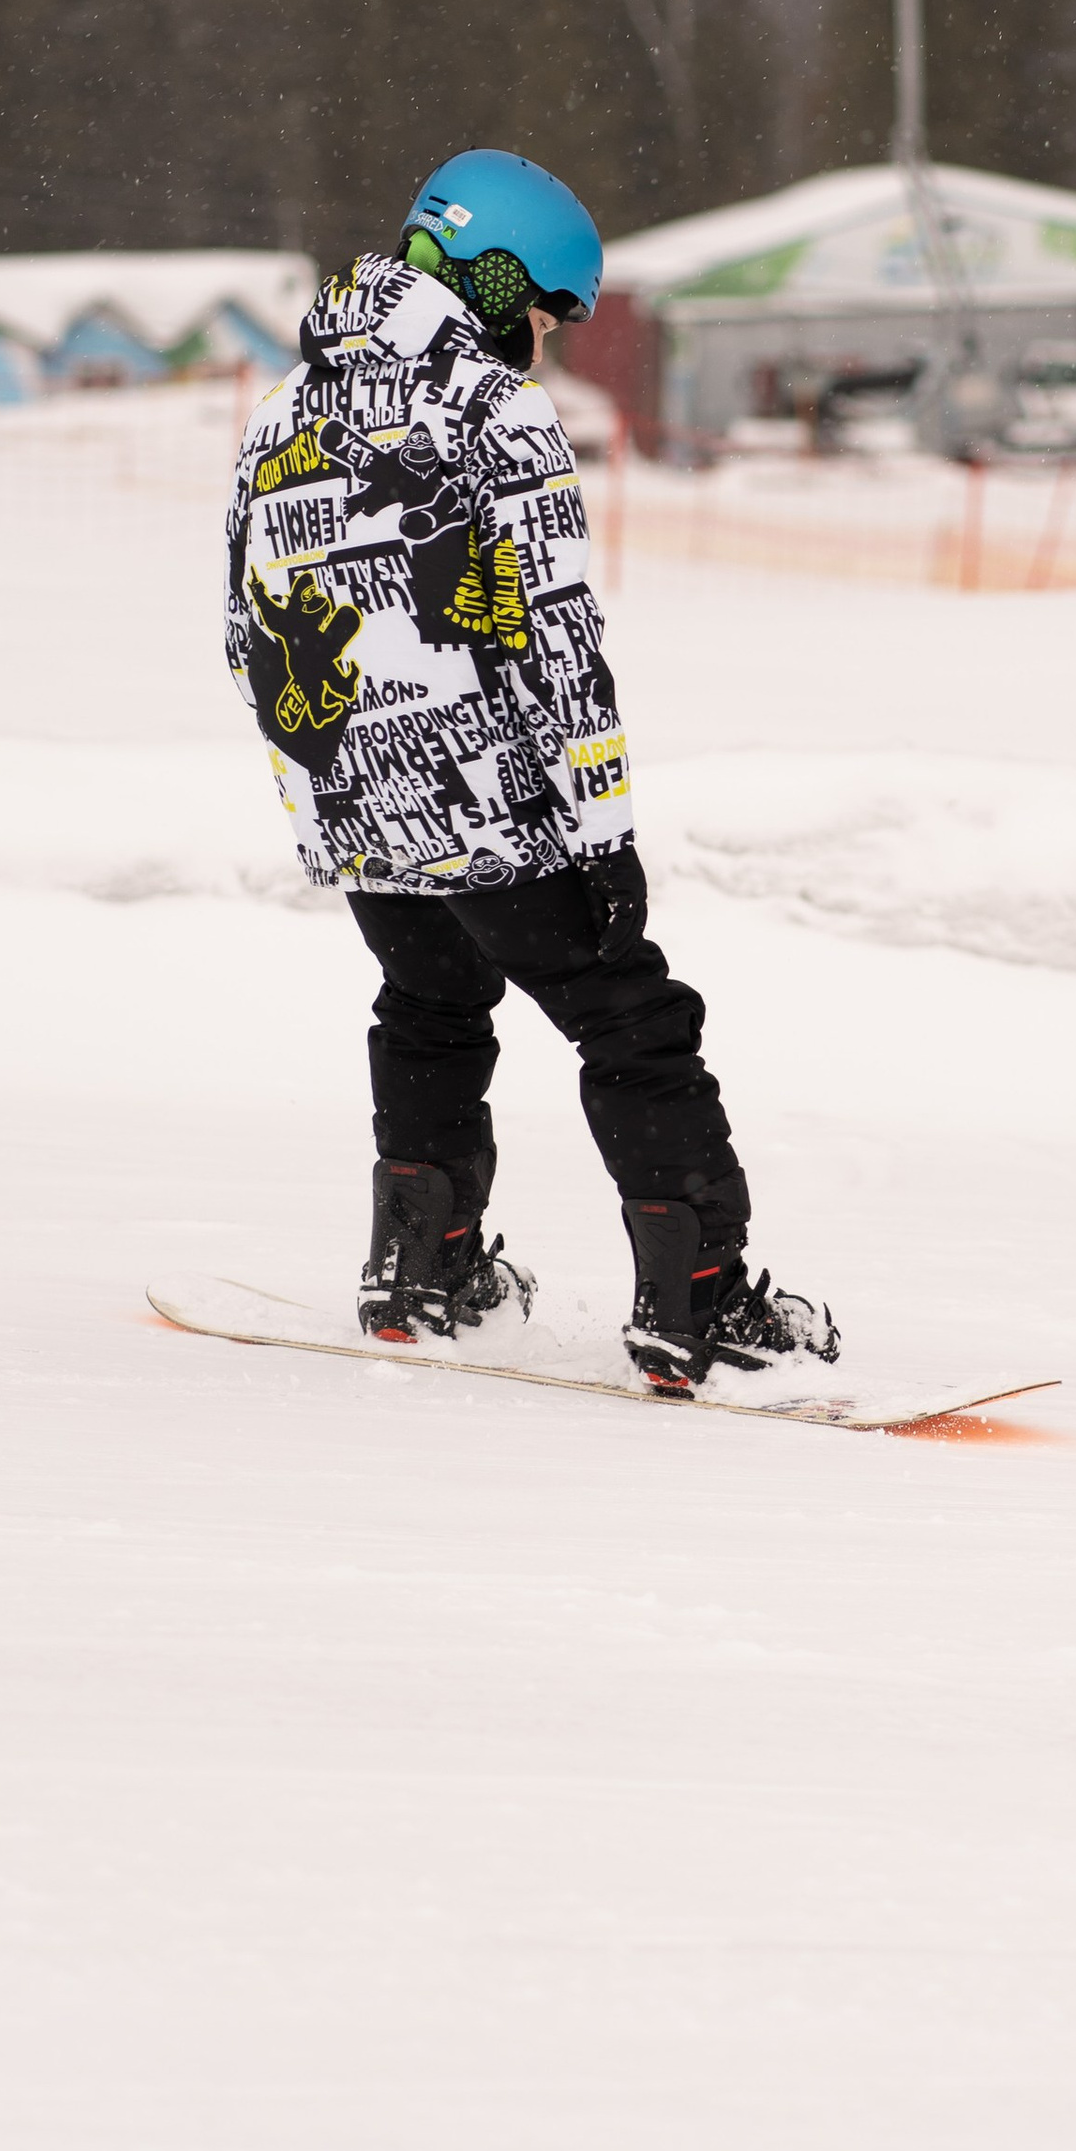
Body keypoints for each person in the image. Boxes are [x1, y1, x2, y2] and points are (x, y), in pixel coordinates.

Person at [224, 148, 838, 1396]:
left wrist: (323, 787)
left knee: (432, 1004)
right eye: (547, 312)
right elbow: (555, 635)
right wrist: (601, 833)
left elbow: (248, 619)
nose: (545, 343)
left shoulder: (288, 405)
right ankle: (701, 1306)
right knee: (634, 1021)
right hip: (491, 792)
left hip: (355, 794)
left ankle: (423, 1270)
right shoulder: (488, 411)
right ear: (500, 280)